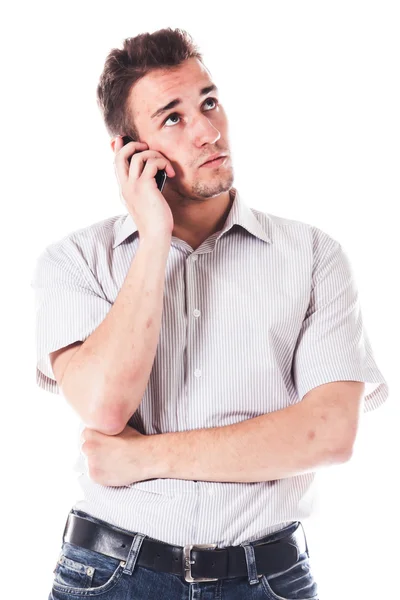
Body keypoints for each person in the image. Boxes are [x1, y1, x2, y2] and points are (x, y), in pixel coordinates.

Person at [31, 27, 389, 600]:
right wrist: (153, 238)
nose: (208, 129)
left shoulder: (313, 256)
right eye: (172, 118)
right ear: (130, 151)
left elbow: (328, 433)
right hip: (111, 577)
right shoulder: (75, 261)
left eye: (209, 102)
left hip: (267, 579)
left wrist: (141, 457)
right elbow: (104, 404)